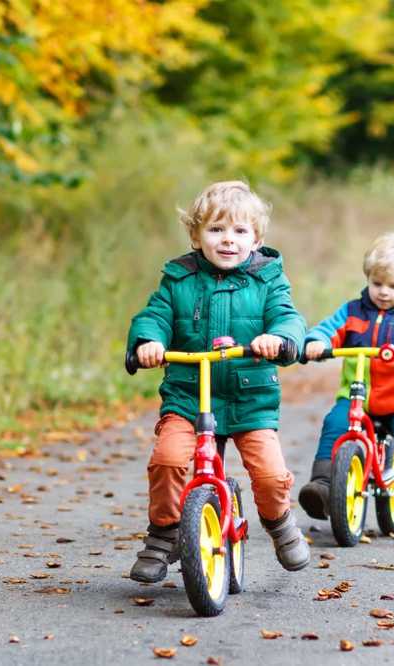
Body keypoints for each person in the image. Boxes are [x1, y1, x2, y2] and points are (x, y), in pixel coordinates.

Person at [126, 180, 309, 582]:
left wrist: (279, 338)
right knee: (168, 460)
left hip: (250, 400)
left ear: (256, 239)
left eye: (240, 231)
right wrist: (149, 341)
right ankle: (163, 534)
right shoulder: (179, 279)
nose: (228, 240)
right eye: (216, 230)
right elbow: (153, 316)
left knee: (270, 475)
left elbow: (288, 316)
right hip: (189, 397)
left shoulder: (268, 280)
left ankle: (279, 524)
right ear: (196, 236)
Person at [299, 232, 394, 532]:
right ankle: (323, 486)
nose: (383, 292)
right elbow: (330, 327)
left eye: (393, 286)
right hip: (359, 398)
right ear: (367, 279)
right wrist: (316, 341)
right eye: (376, 284)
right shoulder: (354, 311)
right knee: (335, 423)